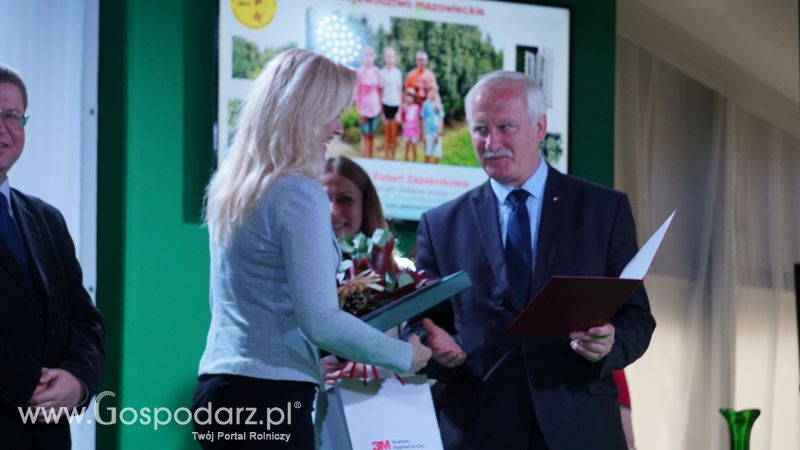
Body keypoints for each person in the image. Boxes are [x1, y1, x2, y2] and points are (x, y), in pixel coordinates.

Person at [193, 49, 431, 449]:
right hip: (270, 400)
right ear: (303, 113)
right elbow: (319, 321)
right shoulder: (298, 194)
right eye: (332, 113)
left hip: (219, 390)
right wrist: (406, 355)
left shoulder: (234, 188)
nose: (337, 128)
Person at [412, 71, 656, 449]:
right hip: (478, 428)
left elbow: (637, 319)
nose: (491, 142)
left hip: (579, 428)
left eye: (505, 127)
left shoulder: (603, 210)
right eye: (480, 130)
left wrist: (610, 345)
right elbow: (423, 326)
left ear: (539, 127)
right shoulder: (440, 225)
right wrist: (435, 352)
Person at [0, 65, 106, 449]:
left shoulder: (46, 219)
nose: (2, 128)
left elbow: (85, 319)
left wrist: (78, 381)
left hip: (46, 436)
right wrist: (34, 384)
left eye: (11, 116)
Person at [321, 156, 387, 241]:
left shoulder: (384, 250)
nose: (333, 211)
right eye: (322, 199)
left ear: (365, 205)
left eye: (345, 199)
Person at [355, 46, 381, 158]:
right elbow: (356, 93)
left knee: (372, 136)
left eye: (371, 55)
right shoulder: (359, 72)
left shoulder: (377, 71)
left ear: (374, 57)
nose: (368, 58)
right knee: (364, 136)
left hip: (375, 108)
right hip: (363, 109)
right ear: (363, 57)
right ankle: (363, 160)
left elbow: (380, 90)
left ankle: (371, 160)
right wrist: (359, 110)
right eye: (366, 55)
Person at [378, 47, 403, 161]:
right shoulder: (381, 73)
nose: (390, 59)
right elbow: (380, 92)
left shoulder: (398, 73)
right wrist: (382, 112)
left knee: (393, 136)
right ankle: (386, 157)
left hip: (395, 106)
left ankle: (392, 158)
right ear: (385, 58)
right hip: (385, 105)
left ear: (394, 59)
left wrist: (400, 111)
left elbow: (400, 91)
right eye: (388, 57)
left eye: (392, 57)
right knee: (386, 136)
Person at [420, 87, 444, 164]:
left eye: (434, 92)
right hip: (428, 132)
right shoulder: (425, 104)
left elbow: (441, 118)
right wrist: (423, 133)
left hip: (436, 133)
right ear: (428, 93)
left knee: (438, 154)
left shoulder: (439, 105)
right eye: (431, 92)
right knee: (427, 152)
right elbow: (423, 119)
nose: (432, 94)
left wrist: (439, 132)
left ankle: (435, 168)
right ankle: (426, 169)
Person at [400, 89, 420, 162]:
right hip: (406, 130)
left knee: (414, 147)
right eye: (408, 96)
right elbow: (401, 118)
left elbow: (417, 119)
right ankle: (405, 162)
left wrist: (418, 131)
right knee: (406, 148)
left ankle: (415, 162)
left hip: (414, 130)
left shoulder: (416, 107)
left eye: (411, 96)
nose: (409, 98)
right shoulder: (403, 107)